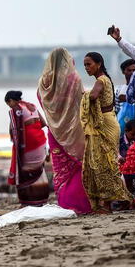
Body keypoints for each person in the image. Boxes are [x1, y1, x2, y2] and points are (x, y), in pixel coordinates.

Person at [37, 48, 92, 214]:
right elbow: (81, 103)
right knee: (78, 165)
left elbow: (43, 103)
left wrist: (56, 117)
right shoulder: (73, 79)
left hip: (54, 131)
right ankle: (82, 204)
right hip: (74, 131)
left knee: (62, 169)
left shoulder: (44, 82)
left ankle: (66, 204)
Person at [81, 52, 132, 212]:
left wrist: (83, 95)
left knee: (102, 164)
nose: (86, 68)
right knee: (107, 162)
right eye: (85, 65)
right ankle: (120, 199)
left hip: (104, 124)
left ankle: (109, 203)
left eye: (89, 64)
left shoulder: (101, 80)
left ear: (99, 64)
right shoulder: (105, 79)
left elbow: (94, 96)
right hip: (109, 121)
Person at [5, 91, 49, 206]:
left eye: (8, 103)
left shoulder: (16, 109)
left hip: (28, 144)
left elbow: (13, 129)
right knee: (38, 170)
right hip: (40, 142)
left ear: (11, 100)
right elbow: (43, 123)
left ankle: (28, 202)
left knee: (24, 171)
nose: (9, 106)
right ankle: (41, 200)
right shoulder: (33, 106)